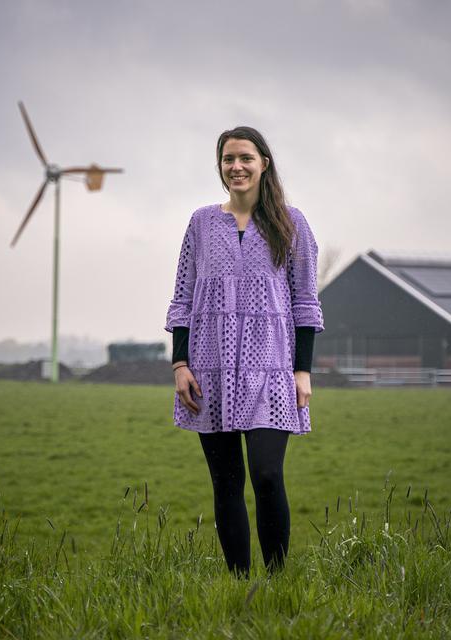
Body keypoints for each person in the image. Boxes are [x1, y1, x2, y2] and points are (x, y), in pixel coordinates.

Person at [164, 126, 324, 576]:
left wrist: (302, 371)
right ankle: (239, 584)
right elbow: (182, 297)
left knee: (268, 475)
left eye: (245, 159)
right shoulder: (200, 222)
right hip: (207, 370)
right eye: (228, 159)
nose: (236, 167)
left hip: (272, 370)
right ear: (220, 165)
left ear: (263, 164)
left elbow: (306, 302)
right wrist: (180, 364)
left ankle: (275, 581)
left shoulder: (291, 223)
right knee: (226, 484)